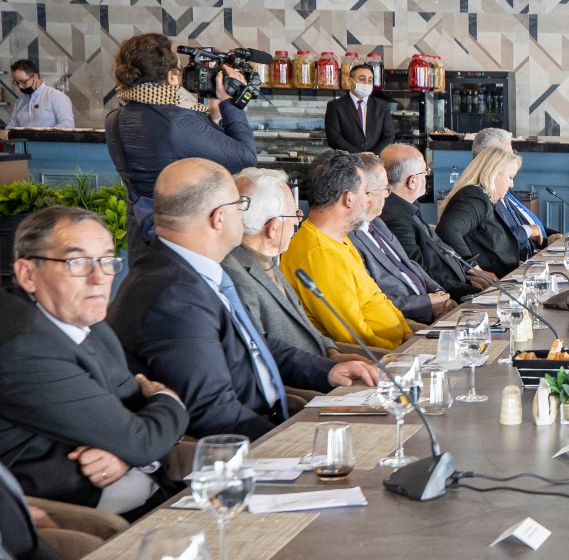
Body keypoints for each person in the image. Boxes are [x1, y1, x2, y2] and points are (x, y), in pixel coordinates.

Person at [109, 159, 375, 440]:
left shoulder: (187, 270)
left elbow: (252, 345)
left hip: (275, 416)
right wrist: (294, 442)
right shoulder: (174, 296)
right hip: (247, 440)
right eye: (240, 205)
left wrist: (328, 371)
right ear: (219, 218)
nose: (245, 215)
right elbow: (213, 413)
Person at [0, 207, 188, 514]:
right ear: (28, 275)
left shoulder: (85, 320)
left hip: (145, 487)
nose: (99, 278)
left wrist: (126, 454)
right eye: (77, 263)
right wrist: (168, 399)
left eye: (107, 261)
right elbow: (142, 439)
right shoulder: (23, 349)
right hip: (80, 518)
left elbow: (137, 424)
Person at [104, 33, 257, 244]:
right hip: (181, 236)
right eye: (179, 69)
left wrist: (213, 118)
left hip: (142, 234)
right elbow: (246, 157)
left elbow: (173, 149)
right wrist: (230, 103)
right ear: (171, 77)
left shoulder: (114, 119)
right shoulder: (176, 122)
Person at [222, 167, 378, 366]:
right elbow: (263, 354)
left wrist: (332, 353)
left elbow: (304, 324)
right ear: (273, 228)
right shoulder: (235, 276)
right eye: (293, 214)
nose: (298, 219)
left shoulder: (268, 260)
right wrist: (327, 369)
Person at [282, 152, 417, 351]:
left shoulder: (339, 239)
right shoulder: (320, 254)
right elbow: (353, 336)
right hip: (379, 359)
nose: (368, 200)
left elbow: (377, 296)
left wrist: (407, 333)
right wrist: (403, 351)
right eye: (365, 192)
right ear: (349, 199)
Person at [350, 153, 456, 325]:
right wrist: (427, 303)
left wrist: (439, 293)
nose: (388, 195)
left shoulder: (377, 222)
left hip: (432, 306)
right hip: (408, 321)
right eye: (384, 189)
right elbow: (375, 301)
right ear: (367, 194)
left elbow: (409, 264)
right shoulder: (349, 239)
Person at [379, 145, 490, 299]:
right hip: (447, 296)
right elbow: (422, 274)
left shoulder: (408, 205)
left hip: (459, 283)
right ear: (412, 181)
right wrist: (474, 292)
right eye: (425, 173)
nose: (427, 177)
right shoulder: (395, 219)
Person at [436, 147, 533, 278]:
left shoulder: (484, 198)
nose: (512, 184)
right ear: (493, 173)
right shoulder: (475, 198)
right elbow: (447, 229)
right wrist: (475, 269)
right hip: (490, 284)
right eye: (510, 177)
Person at [472, 127, 554, 249]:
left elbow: (526, 224)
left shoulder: (506, 189)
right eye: (507, 155)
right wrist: (532, 233)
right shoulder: (481, 197)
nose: (512, 158)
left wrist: (552, 238)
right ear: (489, 160)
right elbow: (498, 239)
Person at [324, 64, 394, 153]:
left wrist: (372, 154)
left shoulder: (382, 106)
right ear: (350, 81)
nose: (366, 83)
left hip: (375, 158)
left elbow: (389, 136)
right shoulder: (335, 106)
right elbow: (333, 138)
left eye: (370, 80)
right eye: (362, 79)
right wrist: (358, 155)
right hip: (347, 159)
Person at [7, 59, 74, 128]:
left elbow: (67, 124)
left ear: (35, 77)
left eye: (23, 82)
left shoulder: (56, 97)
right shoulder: (20, 101)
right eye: (17, 82)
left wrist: (45, 133)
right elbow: (11, 125)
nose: (20, 86)